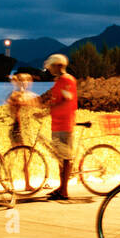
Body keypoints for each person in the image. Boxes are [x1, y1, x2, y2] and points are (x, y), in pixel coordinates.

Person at [38, 54, 78, 201]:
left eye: (52, 66)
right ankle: (61, 187)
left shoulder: (67, 80)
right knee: (60, 157)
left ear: (59, 66)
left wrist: (48, 110)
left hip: (65, 124)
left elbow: (67, 101)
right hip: (57, 124)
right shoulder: (59, 81)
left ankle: (64, 191)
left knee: (65, 158)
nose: (50, 69)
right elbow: (58, 100)